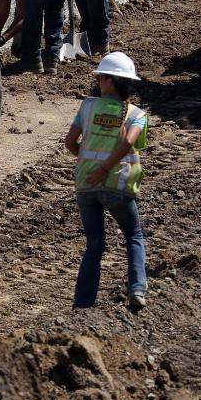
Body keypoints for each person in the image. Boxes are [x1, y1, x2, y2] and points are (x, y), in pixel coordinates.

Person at [65, 52, 150, 312]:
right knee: (133, 235)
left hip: (86, 185)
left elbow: (70, 143)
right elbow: (128, 142)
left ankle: (82, 305)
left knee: (94, 245)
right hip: (117, 186)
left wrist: (92, 165)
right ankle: (136, 290)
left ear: (111, 81)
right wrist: (106, 168)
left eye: (101, 77)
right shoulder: (137, 114)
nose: (98, 81)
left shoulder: (88, 107)